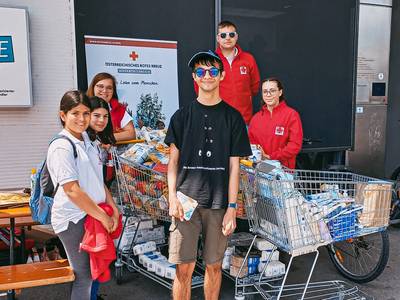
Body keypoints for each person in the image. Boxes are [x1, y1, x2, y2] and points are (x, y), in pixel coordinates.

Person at [166, 50, 251, 300]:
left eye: (213, 71)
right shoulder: (181, 117)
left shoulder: (233, 118)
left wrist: (232, 207)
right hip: (185, 203)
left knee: (214, 267)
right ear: (194, 77)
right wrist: (172, 197)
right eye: (201, 71)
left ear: (222, 76)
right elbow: (173, 162)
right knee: (183, 269)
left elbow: (235, 166)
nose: (207, 76)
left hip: (218, 204)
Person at [47, 90, 120, 300]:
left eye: (86, 113)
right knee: (84, 276)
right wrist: (103, 216)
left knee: (92, 274)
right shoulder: (62, 146)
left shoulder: (87, 139)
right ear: (63, 115)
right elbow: (72, 190)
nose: (82, 119)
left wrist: (113, 207)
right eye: (75, 113)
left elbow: (97, 180)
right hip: (73, 219)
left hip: (91, 215)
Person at [87, 96, 117, 300]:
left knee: (96, 260)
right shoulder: (82, 143)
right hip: (85, 212)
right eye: (96, 115)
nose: (101, 120)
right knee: (88, 266)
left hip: (97, 208)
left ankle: (94, 295)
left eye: (105, 116)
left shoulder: (96, 141)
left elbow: (99, 181)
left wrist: (113, 207)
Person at [204, 20, 260, 125]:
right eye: (223, 35)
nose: (228, 38)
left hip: (243, 120)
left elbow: (254, 88)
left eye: (231, 34)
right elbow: (200, 88)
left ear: (236, 37)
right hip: (217, 120)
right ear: (218, 38)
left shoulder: (249, 59)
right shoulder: (209, 61)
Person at [248, 77, 303, 169]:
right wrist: (257, 152)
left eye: (272, 91)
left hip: (283, 173)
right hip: (260, 170)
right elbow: (251, 144)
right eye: (265, 91)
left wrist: (271, 156)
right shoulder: (255, 119)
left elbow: (295, 146)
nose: (268, 95)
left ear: (280, 92)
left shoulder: (291, 115)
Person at [87, 72, 136, 142]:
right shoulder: (83, 107)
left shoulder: (119, 109)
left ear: (113, 91)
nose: (104, 91)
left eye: (109, 88)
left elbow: (131, 134)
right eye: (100, 86)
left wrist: (107, 139)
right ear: (93, 87)